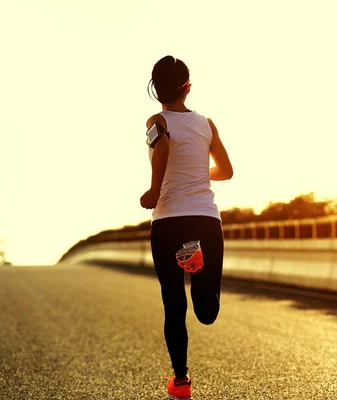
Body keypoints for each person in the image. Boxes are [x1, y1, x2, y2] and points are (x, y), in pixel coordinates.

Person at [140, 55, 233, 400]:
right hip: (205, 220)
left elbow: (162, 145)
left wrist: (153, 189)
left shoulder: (155, 120)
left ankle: (181, 382)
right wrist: (197, 172)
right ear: (188, 88)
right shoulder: (207, 124)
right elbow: (226, 171)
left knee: (172, 304)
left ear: (155, 90)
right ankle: (195, 263)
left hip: (167, 220)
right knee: (206, 312)